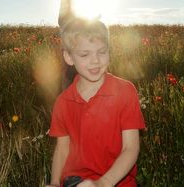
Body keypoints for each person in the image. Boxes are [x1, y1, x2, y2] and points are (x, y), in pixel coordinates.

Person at [47, 19, 146, 187]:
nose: (95, 61)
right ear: (69, 57)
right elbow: (62, 149)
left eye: (102, 52)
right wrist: (55, 182)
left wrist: (102, 183)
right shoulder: (63, 102)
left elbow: (130, 148)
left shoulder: (125, 91)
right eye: (85, 54)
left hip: (117, 182)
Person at [58, 0, 89, 91]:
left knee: (77, 76)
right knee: (70, 75)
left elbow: (61, 21)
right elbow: (61, 20)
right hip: (71, 43)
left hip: (81, 43)